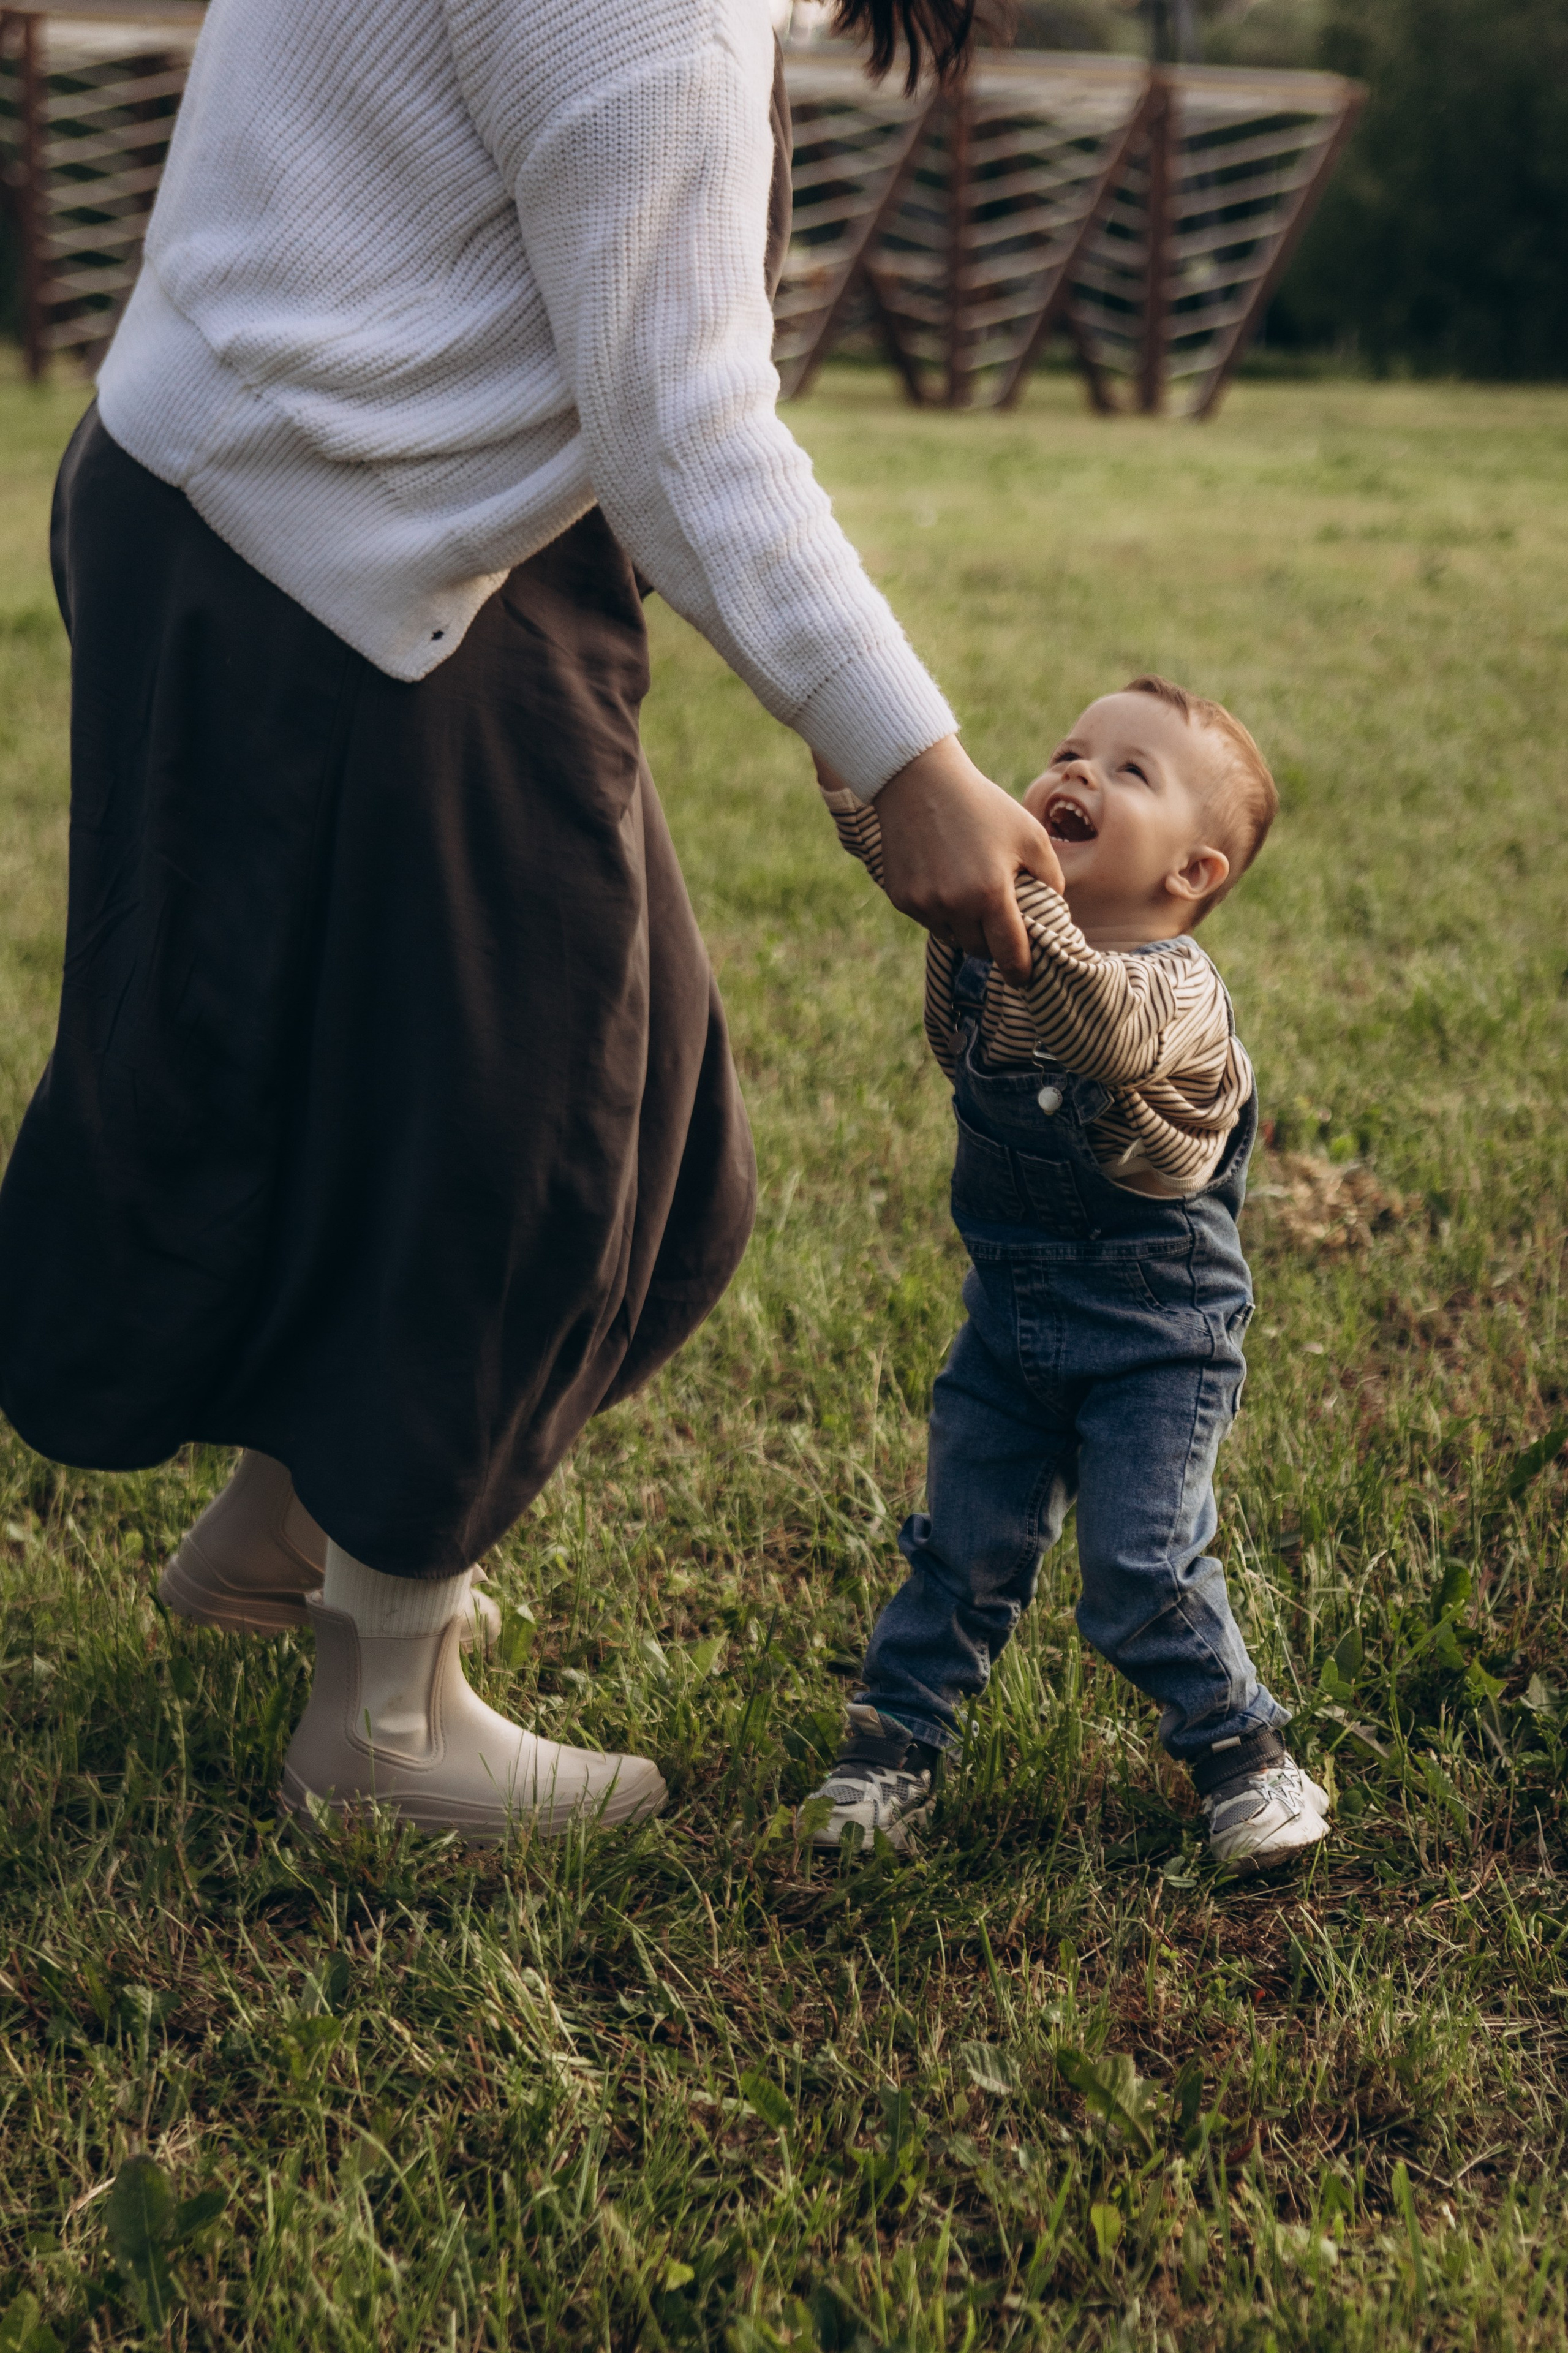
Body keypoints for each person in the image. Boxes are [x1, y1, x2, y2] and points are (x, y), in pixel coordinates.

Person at [0, 0, 1065, 1841]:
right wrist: (911, 760)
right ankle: (384, 1724)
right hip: (311, 549)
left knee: (664, 1131)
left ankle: (299, 1521)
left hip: (318, 499)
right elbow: (690, 436)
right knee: (529, 1129)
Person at [802, 676, 1332, 1873]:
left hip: (1156, 1343)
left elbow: (1097, 1029)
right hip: (1009, 1328)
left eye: (1128, 772)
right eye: (1067, 752)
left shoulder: (1173, 992)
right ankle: (893, 1744)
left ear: (1189, 875)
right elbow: (901, 850)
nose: (1075, 775)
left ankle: (1243, 1754)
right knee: (959, 1552)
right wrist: (855, 745)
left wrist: (1011, 883)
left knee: (1139, 1562)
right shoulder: (986, 953)